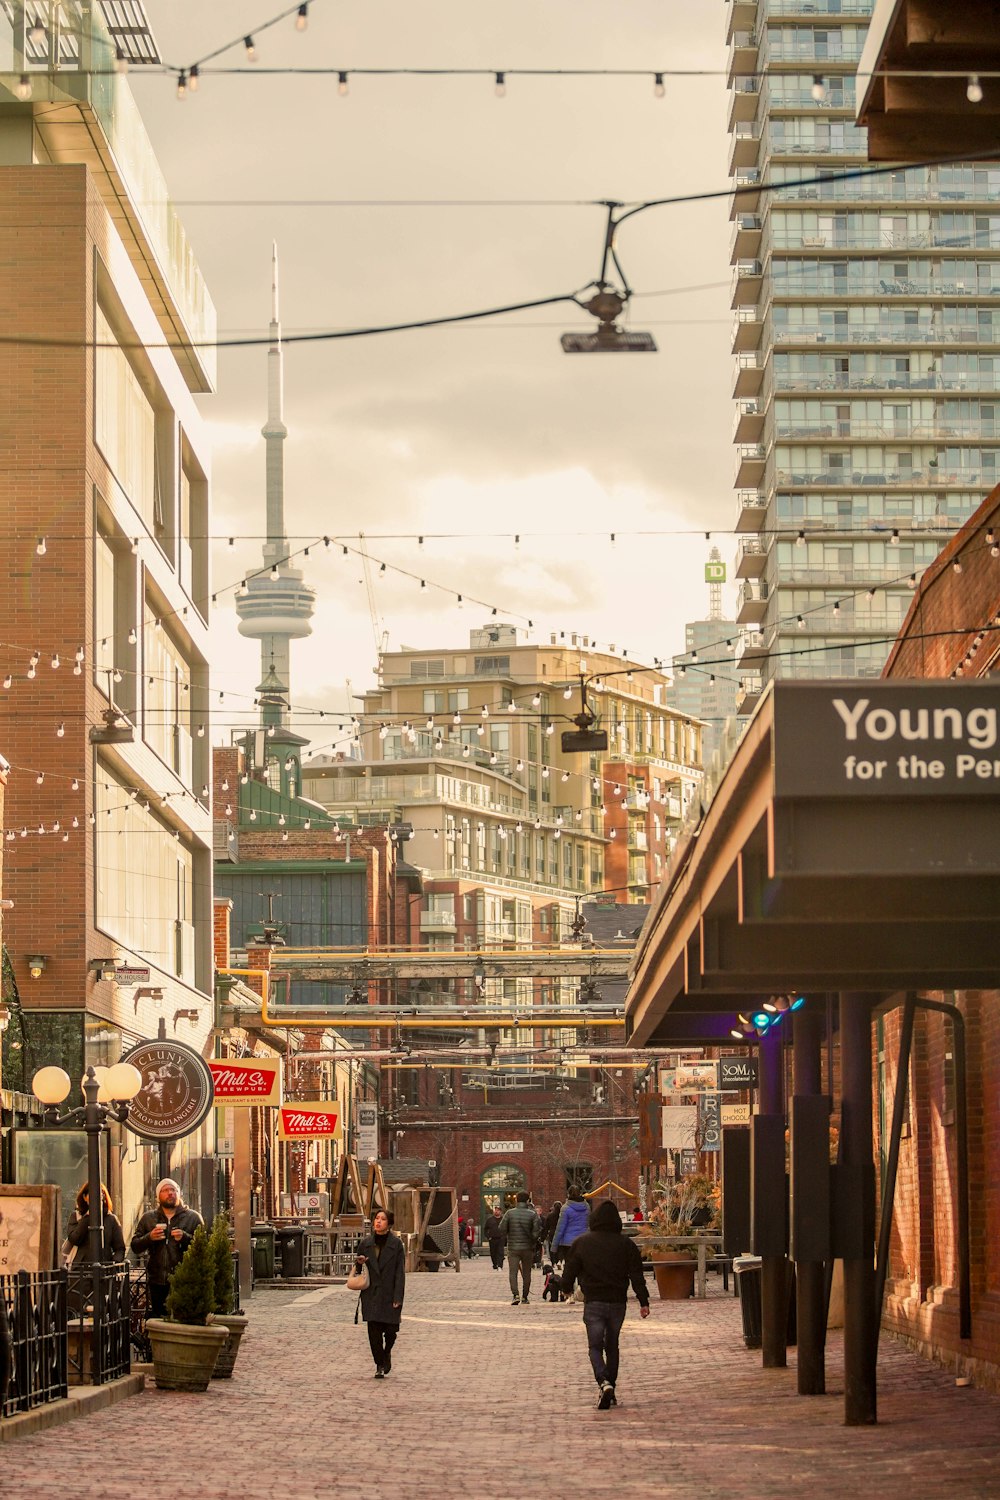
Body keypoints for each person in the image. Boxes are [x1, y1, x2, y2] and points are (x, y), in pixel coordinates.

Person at [560, 1198, 650, 1410]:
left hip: (594, 1301)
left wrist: (566, 1289)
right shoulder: (626, 1244)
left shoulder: (582, 1242)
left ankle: (603, 1381)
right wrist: (643, 1301)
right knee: (612, 1346)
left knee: (594, 1346)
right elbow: (637, 1275)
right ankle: (611, 1386)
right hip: (617, 1301)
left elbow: (569, 1270)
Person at [130, 1178, 204, 1318]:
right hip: (157, 1279)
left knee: (183, 1319)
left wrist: (185, 1238)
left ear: (179, 1193)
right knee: (160, 1318)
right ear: (158, 1196)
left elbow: (204, 1246)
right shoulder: (148, 1218)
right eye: (165, 1190)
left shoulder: (193, 1217)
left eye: (173, 1190)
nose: (170, 1193)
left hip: (185, 1279)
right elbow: (135, 1246)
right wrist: (149, 1237)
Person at [355, 1208, 405, 1378]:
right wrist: (360, 1263)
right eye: (376, 1218)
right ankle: (379, 1364)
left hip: (390, 1293)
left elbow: (400, 1272)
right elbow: (358, 1271)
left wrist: (398, 1297)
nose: (378, 1222)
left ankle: (387, 1353)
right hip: (372, 1294)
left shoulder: (396, 1244)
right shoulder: (365, 1244)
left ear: (389, 1224)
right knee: (374, 1333)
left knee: (391, 1331)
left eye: (382, 1219)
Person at [62, 1183, 126, 1266]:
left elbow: (120, 1248)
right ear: (85, 1197)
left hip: (104, 1270)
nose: (95, 1200)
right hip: (80, 1271)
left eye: (99, 1196)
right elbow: (74, 1239)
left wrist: (113, 1263)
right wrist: (89, 1216)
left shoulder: (111, 1219)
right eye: (91, 1196)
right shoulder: (77, 1216)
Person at [498, 1191, 542, 1305]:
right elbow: (536, 1233)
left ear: (516, 1200)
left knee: (513, 1272)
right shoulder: (532, 1214)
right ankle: (525, 1296)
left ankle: (515, 1295)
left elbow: (502, 1228)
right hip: (527, 1248)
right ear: (528, 1201)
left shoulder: (509, 1213)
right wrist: (532, 1241)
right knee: (527, 1273)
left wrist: (509, 1234)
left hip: (513, 1247)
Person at [550, 1185, 590, 1263]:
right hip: (583, 1241)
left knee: (569, 1267)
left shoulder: (565, 1208)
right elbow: (588, 1224)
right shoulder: (587, 1207)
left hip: (568, 1243)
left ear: (568, 1194)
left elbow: (560, 1229)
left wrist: (554, 1247)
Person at [484, 1205, 505, 1269]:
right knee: (493, 1252)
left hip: (501, 1238)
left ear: (500, 1212)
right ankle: (495, 1264)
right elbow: (485, 1229)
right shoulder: (490, 1220)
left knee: (500, 1252)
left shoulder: (503, 1220)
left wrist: (505, 1236)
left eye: (498, 1210)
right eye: (495, 1210)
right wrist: (488, 1236)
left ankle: (500, 1265)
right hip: (492, 1239)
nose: (496, 1211)